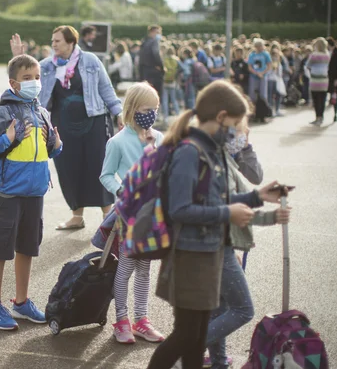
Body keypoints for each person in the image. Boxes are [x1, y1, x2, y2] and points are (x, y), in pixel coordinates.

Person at [147, 80, 286, 369]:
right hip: (190, 258)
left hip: (209, 253)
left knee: (196, 341)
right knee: (186, 336)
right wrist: (227, 213)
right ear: (221, 117)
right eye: (235, 124)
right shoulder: (189, 151)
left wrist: (257, 196)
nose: (237, 131)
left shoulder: (214, 149)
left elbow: (217, 197)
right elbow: (181, 209)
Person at [0, 54, 62, 331]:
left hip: (35, 193)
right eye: (27, 79)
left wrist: (57, 145)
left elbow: (48, 150)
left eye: (37, 77)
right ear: (13, 83)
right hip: (8, 193)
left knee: (27, 248)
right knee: (0, 250)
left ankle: (21, 302)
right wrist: (7, 139)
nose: (35, 82)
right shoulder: (3, 114)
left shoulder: (42, 112)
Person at [12, 27, 123, 230]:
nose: (53, 44)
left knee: (98, 166)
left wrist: (119, 112)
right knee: (68, 169)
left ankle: (108, 216)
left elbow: (105, 88)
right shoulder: (45, 66)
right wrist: (19, 58)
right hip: (61, 126)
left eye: (57, 41)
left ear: (71, 42)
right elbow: (25, 82)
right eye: (52, 41)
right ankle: (77, 216)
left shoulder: (90, 60)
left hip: (94, 122)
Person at [203, 119, 292, 369]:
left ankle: (219, 362)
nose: (246, 134)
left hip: (227, 243)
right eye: (242, 131)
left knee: (221, 307)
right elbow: (225, 207)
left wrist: (246, 146)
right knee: (243, 309)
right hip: (219, 247)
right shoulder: (213, 162)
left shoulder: (229, 157)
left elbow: (254, 177)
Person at [99, 82, 165, 344]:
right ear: (133, 108)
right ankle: (122, 319)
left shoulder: (158, 138)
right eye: (148, 108)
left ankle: (141, 319)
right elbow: (105, 175)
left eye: (156, 109)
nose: (152, 113)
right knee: (125, 267)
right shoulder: (117, 142)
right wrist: (122, 192)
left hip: (153, 216)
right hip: (129, 215)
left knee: (145, 268)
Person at [305, 38, 331, 125]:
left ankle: (317, 117)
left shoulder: (314, 55)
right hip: (324, 79)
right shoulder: (327, 55)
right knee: (322, 99)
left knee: (316, 100)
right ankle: (321, 117)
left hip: (315, 79)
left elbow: (307, 65)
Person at [139, 25, 165, 98]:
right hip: (154, 72)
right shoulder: (154, 41)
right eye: (157, 32)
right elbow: (156, 54)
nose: (159, 34)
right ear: (152, 32)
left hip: (145, 72)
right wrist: (161, 67)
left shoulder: (144, 42)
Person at [161, 46, 181, 127]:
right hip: (173, 81)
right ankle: (178, 115)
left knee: (165, 100)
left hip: (165, 81)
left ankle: (165, 118)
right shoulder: (176, 59)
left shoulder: (163, 59)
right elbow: (181, 69)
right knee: (174, 99)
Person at [327, 38, 337, 122]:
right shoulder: (329, 52)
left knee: (335, 96)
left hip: (333, 78)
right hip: (328, 78)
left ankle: (335, 114)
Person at [267, 49, 283, 117]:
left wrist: (277, 69)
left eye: (276, 55)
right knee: (270, 96)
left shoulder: (279, 63)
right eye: (274, 55)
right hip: (270, 80)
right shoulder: (269, 62)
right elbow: (267, 72)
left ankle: (277, 109)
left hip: (277, 81)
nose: (275, 56)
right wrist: (272, 69)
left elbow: (280, 74)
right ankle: (271, 111)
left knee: (278, 95)